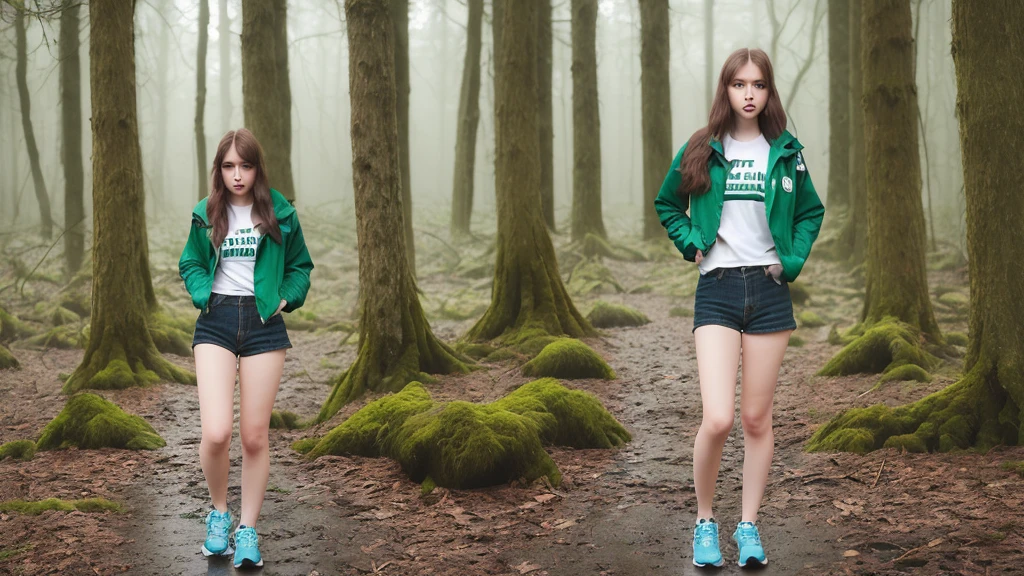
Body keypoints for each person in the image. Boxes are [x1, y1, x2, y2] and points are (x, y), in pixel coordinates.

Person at [654, 48, 824, 568]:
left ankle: (748, 525)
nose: (748, 94)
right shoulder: (702, 147)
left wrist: (791, 261)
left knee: (755, 418)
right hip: (719, 289)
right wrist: (691, 243)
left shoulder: (787, 151)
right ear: (725, 90)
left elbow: (810, 212)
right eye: (738, 84)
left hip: (770, 293)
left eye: (758, 85)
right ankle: (705, 521)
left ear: (769, 92)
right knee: (718, 418)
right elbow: (667, 203)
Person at [178, 128, 314, 569]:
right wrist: (203, 294)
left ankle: (248, 530)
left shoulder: (281, 212)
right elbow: (191, 262)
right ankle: (219, 515)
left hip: (263, 325)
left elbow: (300, 267)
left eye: (246, 165)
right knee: (217, 431)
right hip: (216, 321)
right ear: (220, 170)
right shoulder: (206, 212)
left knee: (255, 436)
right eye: (229, 166)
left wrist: (284, 297)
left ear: (258, 168)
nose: (238, 175)